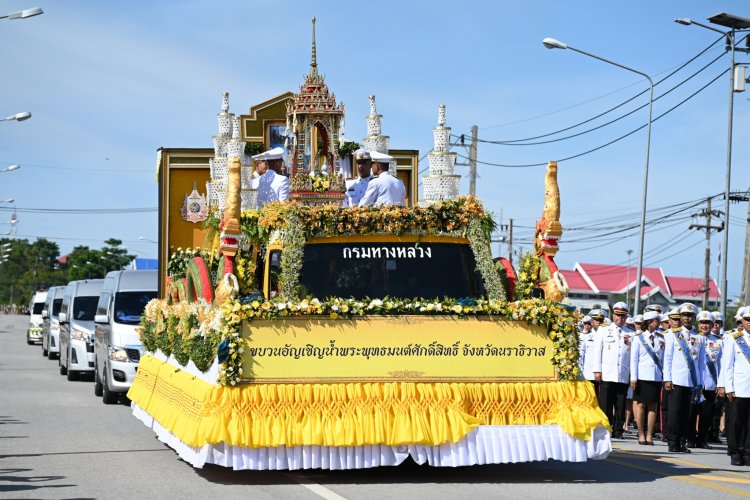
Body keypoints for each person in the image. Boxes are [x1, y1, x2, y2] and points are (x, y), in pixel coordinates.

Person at [663, 303, 706, 453]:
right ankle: (672, 441)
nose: (687, 318)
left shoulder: (699, 338)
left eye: (690, 316)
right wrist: (667, 379)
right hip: (677, 379)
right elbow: (667, 358)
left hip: (692, 381)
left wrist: (700, 382)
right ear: (680, 317)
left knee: (688, 413)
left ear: (694, 318)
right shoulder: (673, 334)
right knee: (675, 412)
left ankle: (682, 441)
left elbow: (701, 363)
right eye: (684, 315)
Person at [592, 302, 633, 439]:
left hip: (622, 374)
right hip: (607, 373)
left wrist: (632, 375)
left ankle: (618, 430)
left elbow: (632, 356)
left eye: (622, 316)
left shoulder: (631, 333)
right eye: (617, 315)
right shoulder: (604, 330)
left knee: (621, 404)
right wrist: (597, 370)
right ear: (613, 315)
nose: (619, 319)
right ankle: (605, 429)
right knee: (606, 404)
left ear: (626, 316)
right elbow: (597, 351)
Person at [718, 306, 750, 466]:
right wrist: (727, 387)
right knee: (735, 423)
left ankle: (747, 451)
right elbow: (727, 365)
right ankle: (735, 451)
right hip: (738, 388)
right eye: (747, 320)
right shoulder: (733, 338)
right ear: (742, 321)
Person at [688, 310, 722, 449]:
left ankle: (702, 439)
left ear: (713, 324)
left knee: (706, 413)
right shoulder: (692, 338)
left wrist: (720, 384)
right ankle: (689, 438)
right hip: (695, 383)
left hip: (709, 383)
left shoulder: (720, 342)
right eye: (702, 322)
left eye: (707, 323)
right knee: (692, 412)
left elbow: (721, 364)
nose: (704, 325)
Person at [631, 310, 664, 445]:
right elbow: (634, 359)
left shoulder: (661, 338)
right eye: (657, 320)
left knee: (653, 406)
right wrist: (633, 377)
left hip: (656, 376)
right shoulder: (639, 337)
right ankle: (640, 433)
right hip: (642, 376)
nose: (659, 323)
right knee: (641, 405)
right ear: (650, 323)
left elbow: (664, 359)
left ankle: (650, 434)